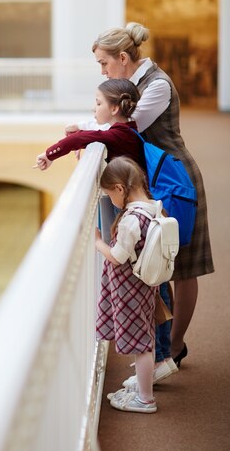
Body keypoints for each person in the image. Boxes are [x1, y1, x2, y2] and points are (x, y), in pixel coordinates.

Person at [69, 21, 214, 365]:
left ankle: (175, 347)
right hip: (153, 180)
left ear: (122, 57)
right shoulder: (132, 84)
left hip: (177, 179)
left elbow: (128, 125)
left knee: (183, 266)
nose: (102, 71)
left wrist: (85, 132)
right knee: (156, 261)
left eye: (104, 63)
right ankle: (161, 348)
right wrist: (86, 131)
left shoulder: (158, 85)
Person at [95, 156, 158, 413]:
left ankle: (145, 399)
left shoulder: (131, 219)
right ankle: (143, 390)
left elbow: (118, 256)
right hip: (144, 285)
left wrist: (98, 243)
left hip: (130, 288)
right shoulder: (152, 206)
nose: (111, 201)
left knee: (141, 343)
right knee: (145, 337)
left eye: (110, 195)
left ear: (120, 189)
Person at [35, 79, 145, 171]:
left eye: (98, 103)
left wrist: (49, 155)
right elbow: (93, 135)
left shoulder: (118, 135)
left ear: (114, 108)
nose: (93, 108)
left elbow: (78, 138)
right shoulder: (129, 129)